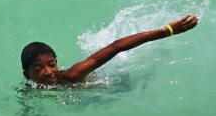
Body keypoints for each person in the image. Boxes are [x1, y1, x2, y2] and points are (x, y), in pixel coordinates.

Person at [21, 15, 199, 86]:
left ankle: (158, 56)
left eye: (52, 64)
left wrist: (166, 30)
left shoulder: (74, 74)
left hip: (112, 85)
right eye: (38, 69)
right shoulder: (30, 89)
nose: (48, 72)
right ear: (28, 75)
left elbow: (116, 47)